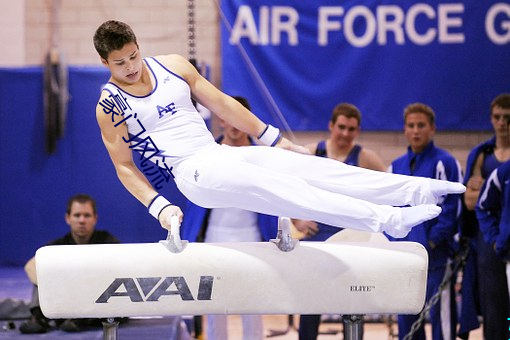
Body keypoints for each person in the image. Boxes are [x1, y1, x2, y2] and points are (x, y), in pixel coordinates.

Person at [93, 20, 465, 246]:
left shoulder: (172, 65)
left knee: (310, 168)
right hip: (192, 174)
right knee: (285, 189)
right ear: (105, 64)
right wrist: (159, 207)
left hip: (219, 156)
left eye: (133, 56)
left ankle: (413, 189)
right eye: (119, 63)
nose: (130, 68)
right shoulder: (110, 106)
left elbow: (222, 103)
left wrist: (274, 138)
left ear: (139, 46)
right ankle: (386, 220)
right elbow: (124, 167)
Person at [181, 96, 278, 340]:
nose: (235, 126)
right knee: (215, 305)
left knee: (253, 306)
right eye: (229, 119)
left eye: (240, 120)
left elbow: (275, 199)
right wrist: (187, 238)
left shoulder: (262, 159)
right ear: (221, 120)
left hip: (254, 239)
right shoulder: (204, 154)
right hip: (214, 238)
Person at [295, 102, 386, 340]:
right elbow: (285, 190)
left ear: (357, 131)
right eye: (341, 127)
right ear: (331, 126)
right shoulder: (311, 152)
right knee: (310, 302)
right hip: (317, 235)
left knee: (353, 300)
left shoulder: (365, 158)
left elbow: (389, 192)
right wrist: (297, 219)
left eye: (351, 129)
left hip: (351, 239)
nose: (345, 134)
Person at [387, 103, 462, 340]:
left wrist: (432, 241)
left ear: (432, 129)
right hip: (405, 259)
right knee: (407, 321)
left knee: (442, 320)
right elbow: (388, 209)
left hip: (436, 257)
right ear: (405, 130)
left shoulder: (445, 163)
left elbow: (452, 209)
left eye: (421, 125)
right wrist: (395, 243)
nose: (416, 131)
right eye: (411, 126)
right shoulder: (395, 167)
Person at [19, 194, 120, 334]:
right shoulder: (57, 246)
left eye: (87, 215)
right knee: (42, 270)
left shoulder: (108, 242)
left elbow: (118, 270)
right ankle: (38, 318)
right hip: (65, 297)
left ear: (95, 218)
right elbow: (30, 266)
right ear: (68, 218)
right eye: (77, 215)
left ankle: (80, 319)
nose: (82, 220)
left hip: (96, 301)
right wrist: (60, 283)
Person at [460, 93, 510, 340]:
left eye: (507, 118)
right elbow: (469, 202)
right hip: (489, 238)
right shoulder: (482, 154)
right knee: (493, 304)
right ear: (491, 119)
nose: (502, 123)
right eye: (497, 117)